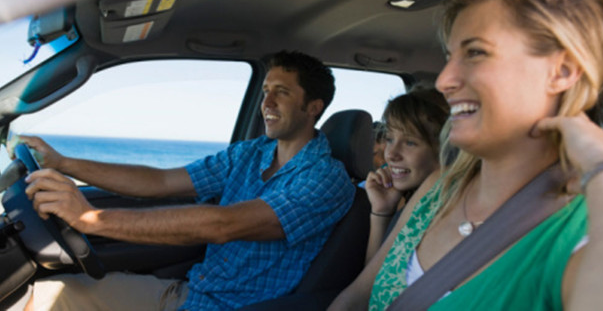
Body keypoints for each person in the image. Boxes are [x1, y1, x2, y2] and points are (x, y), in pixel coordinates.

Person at [329, 0, 603, 310]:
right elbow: (356, 298)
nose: (444, 81)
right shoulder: (440, 187)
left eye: (476, 52)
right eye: (450, 56)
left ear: (561, 72)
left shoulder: (584, 231)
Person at [19, 50, 356, 311]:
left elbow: (224, 224)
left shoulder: (327, 180)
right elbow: (162, 181)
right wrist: (64, 163)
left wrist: (91, 219)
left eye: (280, 92)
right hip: (190, 295)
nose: (266, 102)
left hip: (238, 308)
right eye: (265, 90)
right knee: (48, 297)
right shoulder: (251, 152)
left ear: (313, 107)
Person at [365, 88, 449, 263]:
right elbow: (374, 281)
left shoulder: (445, 213)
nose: (391, 154)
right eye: (389, 139)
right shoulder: (409, 202)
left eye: (410, 142)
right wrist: (382, 211)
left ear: (446, 148)